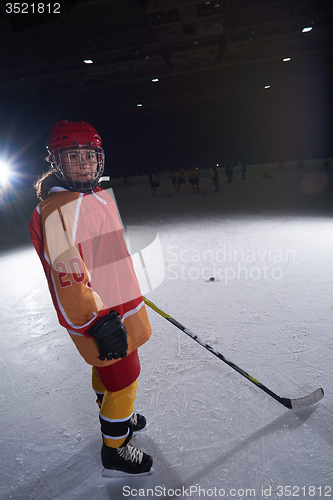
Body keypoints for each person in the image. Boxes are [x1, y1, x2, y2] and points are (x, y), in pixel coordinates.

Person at [29, 120, 153, 477]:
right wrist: (94, 321)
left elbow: (107, 250)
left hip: (120, 301)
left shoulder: (97, 194)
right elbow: (68, 278)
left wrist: (127, 283)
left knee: (112, 370)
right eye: (73, 157)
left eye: (89, 156)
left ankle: (118, 412)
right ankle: (115, 447)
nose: (83, 164)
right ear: (57, 161)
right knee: (125, 374)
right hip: (99, 314)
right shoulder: (56, 210)